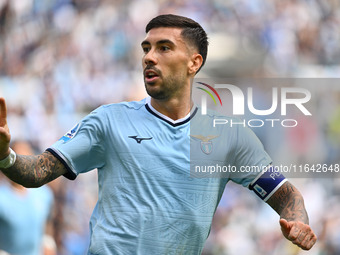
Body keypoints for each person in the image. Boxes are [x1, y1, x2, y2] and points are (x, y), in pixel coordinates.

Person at [0, 14, 316, 254]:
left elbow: (286, 195)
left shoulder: (228, 136)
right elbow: (36, 173)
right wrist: (4, 155)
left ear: (195, 62)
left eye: (164, 48)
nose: (149, 56)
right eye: (147, 48)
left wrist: (298, 221)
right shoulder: (109, 121)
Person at [0, 141, 55, 255]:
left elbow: (47, 222)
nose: (23, 166)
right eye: (19, 158)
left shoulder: (44, 194)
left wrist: (48, 242)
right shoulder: (2, 197)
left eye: (27, 158)